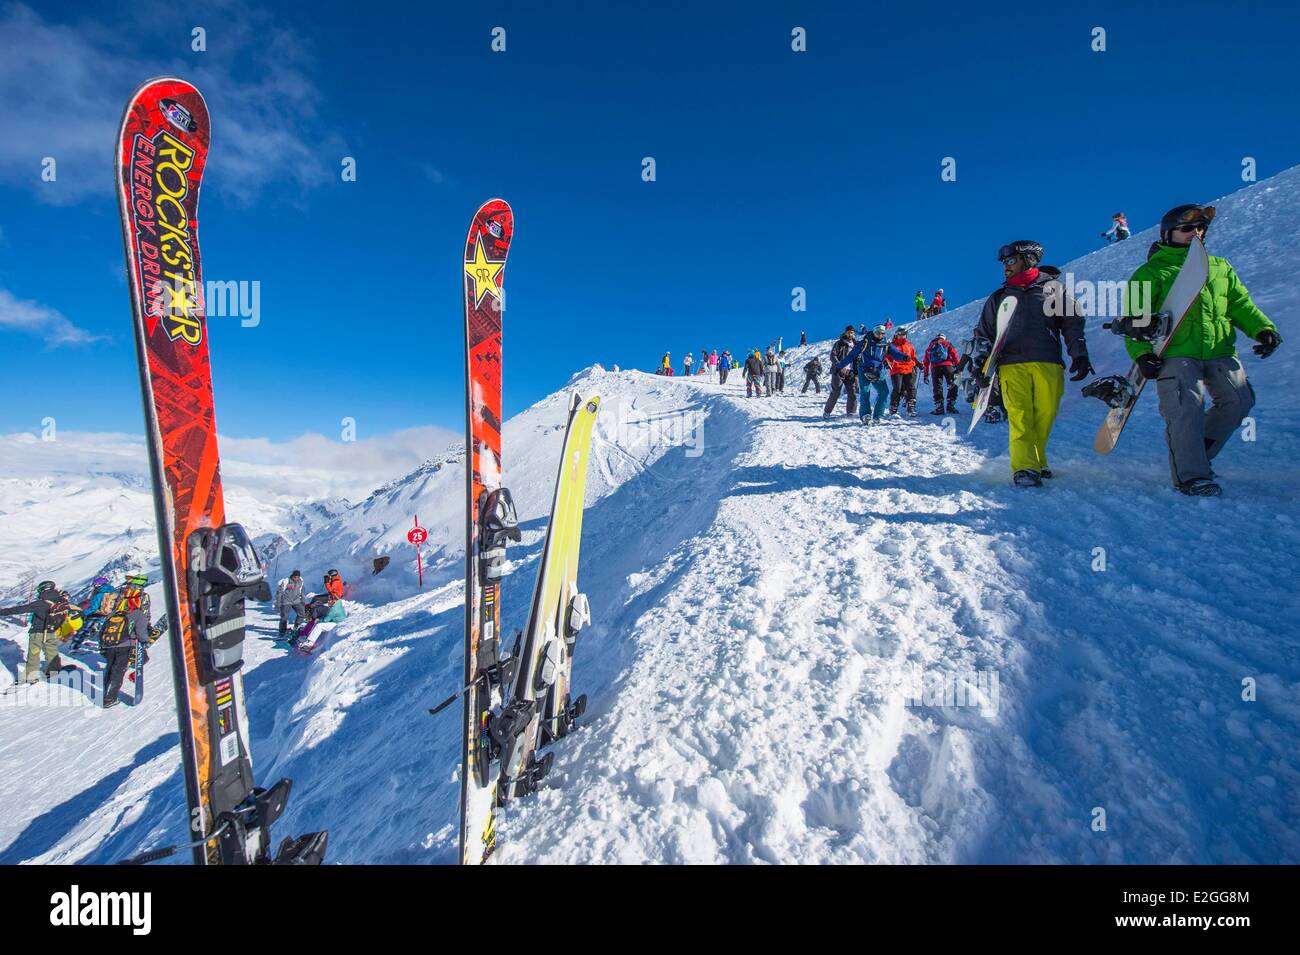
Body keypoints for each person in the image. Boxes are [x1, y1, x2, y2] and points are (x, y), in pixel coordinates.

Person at [1120, 204, 1280, 496]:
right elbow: (1136, 318)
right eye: (1187, 228)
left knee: (1239, 401)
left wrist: (1263, 329)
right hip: (1175, 352)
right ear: (1168, 233)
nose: (1195, 233)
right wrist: (1142, 353)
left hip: (1219, 349)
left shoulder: (1218, 266)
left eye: (1200, 228)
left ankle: (1195, 453)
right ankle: (1192, 476)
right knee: (1186, 410)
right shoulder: (1150, 272)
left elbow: (1240, 305)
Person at [975, 239, 1091, 487]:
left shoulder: (1054, 290)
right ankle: (1025, 467)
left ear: (1029, 259)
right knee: (1019, 415)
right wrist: (980, 365)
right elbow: (983, 334)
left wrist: (1079, 353)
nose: (1005, 266)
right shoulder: (999, 297)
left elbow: (1072, 323)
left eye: (1010, 261)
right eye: (1004, 262)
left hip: (1047, 360)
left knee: (1046, 413)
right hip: (1011, 363)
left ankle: (1038, 460)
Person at [832, 325, 911, 425]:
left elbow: (896, 353)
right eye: (878, 332)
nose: (880, 335)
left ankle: (878, 415)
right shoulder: (865, 342)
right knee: (865, 391)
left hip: (878, 371)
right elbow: (852, 355)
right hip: (864, 370)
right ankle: (865, 415)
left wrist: (904, 357)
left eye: (882, 333)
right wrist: (840, 366)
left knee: (884, 392)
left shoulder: (886, 343)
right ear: (874, 332)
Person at [0, 580, 73, 683]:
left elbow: (18, 609)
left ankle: (30, 677)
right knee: (52, 651)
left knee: (34, 654)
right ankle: (54, 670)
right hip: (51, 631)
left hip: (38, 632)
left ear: (43, 590)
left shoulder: (40, 603)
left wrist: (2, 612)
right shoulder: (60, 600)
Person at [98, 591, 149, 708]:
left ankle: (107, 694)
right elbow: (142, 634)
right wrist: (145, 640)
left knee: (110, 669)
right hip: (125, 645)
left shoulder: (114, 613)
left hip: (109, 645)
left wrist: (102, 646)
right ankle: (110, 699)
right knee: (118, 671)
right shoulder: (137, 613)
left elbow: (102, 630)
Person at [822, 326, 859, 418]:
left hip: (851, 372)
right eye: (849, 332)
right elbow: (833, 356)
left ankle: (851, 413)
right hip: (839, 371)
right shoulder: (839, 343)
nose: (850, 334)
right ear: (845, 333)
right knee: (836, 392)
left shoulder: (856, 345)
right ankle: (827, 412)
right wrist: (840, 365)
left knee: (852, 392)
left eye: (852, 333)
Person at [922, 333, 961, 415]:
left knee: (937, 386)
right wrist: (958, 367)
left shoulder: (931, 346)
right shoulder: (947, 343)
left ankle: (939, 407)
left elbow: (926, 362)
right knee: (953, 384)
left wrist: (925, 375)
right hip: (948, 366)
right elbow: (954, 354)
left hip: (935, 368)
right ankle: (950, 405)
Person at [885, 328, 919, 416]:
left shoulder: (909, 345)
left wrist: (918, 364)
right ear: (896, 334)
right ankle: (893, 407)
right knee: (898, 388)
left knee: (911, 387)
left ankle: (911, 407)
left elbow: (913, 357)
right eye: (900, 334)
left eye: (904, 334)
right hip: (896, 369)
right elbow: (887, 357)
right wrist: (888, 362)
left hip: (909, 369)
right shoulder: (892, 346)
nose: (902, 336)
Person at [276, 570, 308, 637]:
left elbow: (302, 591)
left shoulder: (301, 581)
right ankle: (282, 631)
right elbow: (279, 592)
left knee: (302, 614)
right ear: (292, 576)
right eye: (295, 577)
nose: (296, 578)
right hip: (286, 601)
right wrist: (278, 603)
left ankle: (296, 628)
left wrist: (303, 600)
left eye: (298, 577)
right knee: (284, 617)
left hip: (296, 601)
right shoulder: (286, 581)